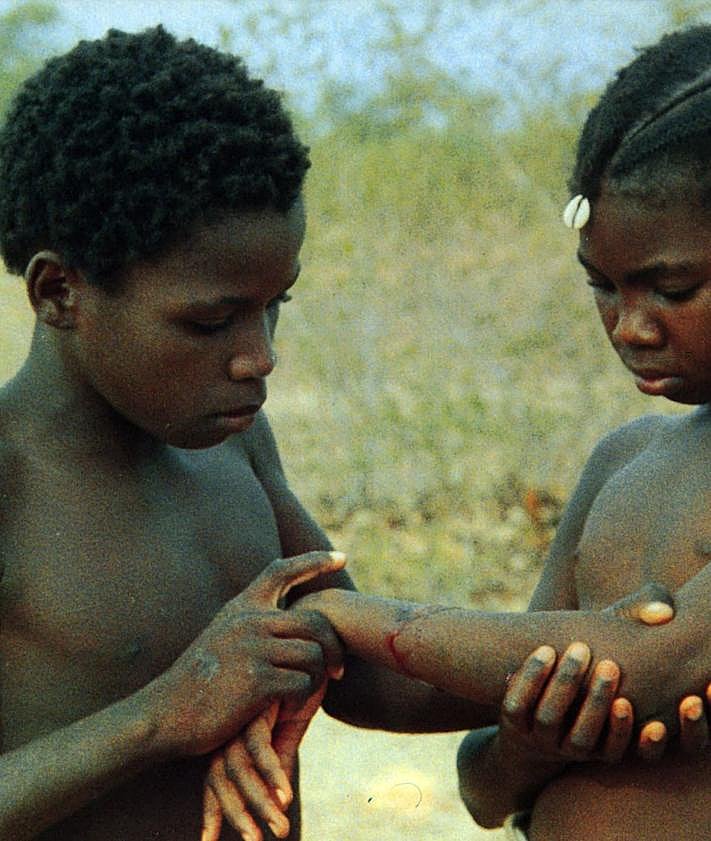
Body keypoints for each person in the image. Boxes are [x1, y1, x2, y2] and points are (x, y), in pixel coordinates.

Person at [0, 24, 705, 841]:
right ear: (58, 293)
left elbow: (373, 683)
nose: (258, 357)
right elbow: (243, 675)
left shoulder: (232, 449)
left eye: (273, 307)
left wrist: (566, 671)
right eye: (211, 321)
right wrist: (158, 718)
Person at [207, 22, 711, 841]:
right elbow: (481, 781)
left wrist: (344, 619)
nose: (629, 326)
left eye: (669, 288)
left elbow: (649, 665)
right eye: (602, 287)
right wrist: (528, 745)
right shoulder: (625, 461)